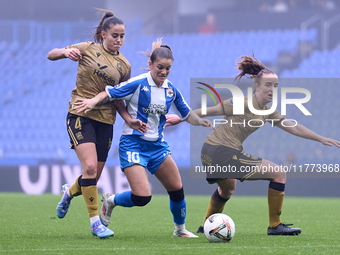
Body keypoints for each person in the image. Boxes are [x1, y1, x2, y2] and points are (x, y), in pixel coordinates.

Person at [165, 55, 340, 236]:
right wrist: (181, 117)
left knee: (227, 188)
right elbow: (212, 110)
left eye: (275, 86)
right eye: (267, 85)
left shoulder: (266, 111)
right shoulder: (243, 102)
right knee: (279, 173)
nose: (272, 90)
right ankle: (275, 225)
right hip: (221, 151)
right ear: (257, 86)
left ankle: (205, 227)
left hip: (210, 152)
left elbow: (292, 126)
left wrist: (320, 138)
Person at [74, 38, 213, 238]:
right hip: (133, 144)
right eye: (160, 68)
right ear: (150, 65)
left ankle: (180, 230)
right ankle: (111, 201)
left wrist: (201, 122)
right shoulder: (138, 83)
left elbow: (186, 113)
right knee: (142, 197)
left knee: (177, 188)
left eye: (168, 68)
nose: (164, 72)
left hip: (157, 146)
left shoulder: (171, 90)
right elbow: (110, 93)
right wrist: (92, 101)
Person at [47, 10, 147, 238]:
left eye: (122, 36)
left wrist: (128, 119)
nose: (119, 40)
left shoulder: (124, 65)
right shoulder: (87, 48)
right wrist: (64, 51)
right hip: (80, 115)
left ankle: (68, 193)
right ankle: (95, 223)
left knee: (92, 176)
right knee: (90, 168)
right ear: (103, 34)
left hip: (106, 121)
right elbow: (50, 55)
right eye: (115, 35)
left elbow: (118, 97)